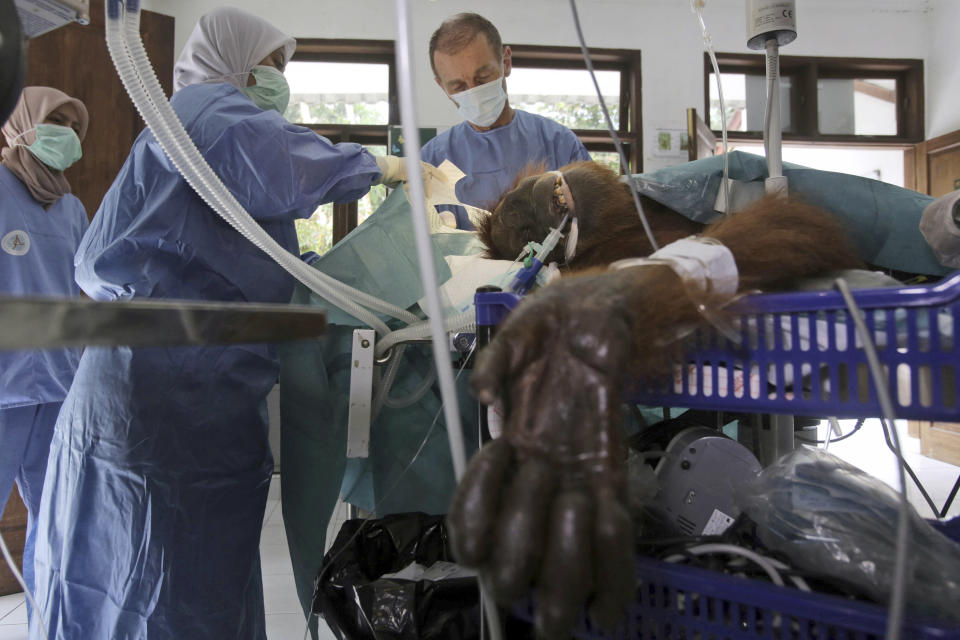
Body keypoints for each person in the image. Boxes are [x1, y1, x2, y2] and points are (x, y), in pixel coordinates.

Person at [29, 8, 425, 639]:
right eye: (272, 65)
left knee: (174, 572)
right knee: (158, 574)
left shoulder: (192, 127)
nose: (278, 80)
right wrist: (384, 167)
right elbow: (285, 165)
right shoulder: (207, 113)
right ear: (234, 61)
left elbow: (242, 258)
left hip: (168, 385)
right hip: (165, 394)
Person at [0, 86, 88, 618]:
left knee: (56, 521)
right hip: (3, 387)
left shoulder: (72, 207)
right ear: (19, 125)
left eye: (74, 126)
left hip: (58, 385)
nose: (67, 136)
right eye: (55, 121)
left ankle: (46, 625)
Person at [421, 12, 592, 229]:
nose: (474, 93)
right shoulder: (432, 160)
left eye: (483, 78)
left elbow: (596, 222)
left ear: (506, 62)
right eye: (459, 87)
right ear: (442, 87)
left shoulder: (558, 143)